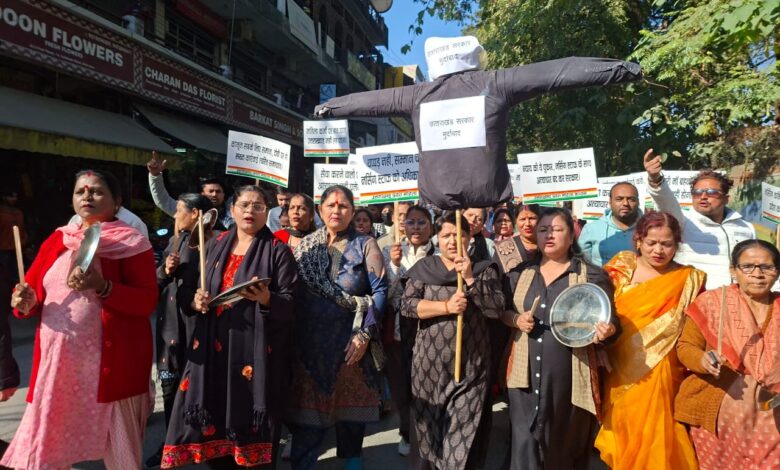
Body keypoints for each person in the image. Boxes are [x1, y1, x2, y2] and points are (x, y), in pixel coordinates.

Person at [314, 36, 642, 209]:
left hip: (437, 198)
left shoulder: (417, 95)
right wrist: (622, 69)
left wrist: (331, 106)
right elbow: (559, 72)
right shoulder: (497, 82)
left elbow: (370, 101)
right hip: (490, 191)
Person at [3, 169, 158, 469]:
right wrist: (24, 301)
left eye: (96, 191)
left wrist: (102, 286)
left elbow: (146, 301)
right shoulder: (58, 239)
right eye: (80, 191)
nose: (87, 196)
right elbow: (31, 292)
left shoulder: (131, 243)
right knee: (47, 448)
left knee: (122, 454)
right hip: (58, 365)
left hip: (113, 366)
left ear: (117, 202)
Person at [160, 185, 298, 468]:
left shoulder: (278, 252)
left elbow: (292, 304)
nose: (250, 211)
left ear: (267, 213)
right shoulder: (214, 244)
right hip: (212, 354)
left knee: (250, 434)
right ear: (232, 210)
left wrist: (266, 298)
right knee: (214, 431)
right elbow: (186, 290)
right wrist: (195, 300)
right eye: (244, 205)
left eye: (258, 206)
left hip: (252, 356)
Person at [501, 207, 620, 469]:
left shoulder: (591, 275)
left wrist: (606, 332)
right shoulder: (520, 273)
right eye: (543, 230)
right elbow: (504, 313)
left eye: (557, 229)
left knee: (563, 446)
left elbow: (611, 322)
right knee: (525, 445)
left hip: (569, 377)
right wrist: (516, 320)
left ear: (572, 234)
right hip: (523, 375)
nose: (549, 235)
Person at [594, 211, 706, 469]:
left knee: (656, 428)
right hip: (617, 362)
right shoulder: (621, 268)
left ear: (677, 245)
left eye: (667, 244)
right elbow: (599, 311)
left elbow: (698, 325)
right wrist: (598, 347)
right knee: (622, 426)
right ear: (638, 241)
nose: (658, 250)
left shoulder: (689, 279)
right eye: (651, 242)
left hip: (662, 366)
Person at [287, 185, 387, 470]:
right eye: (330, 205)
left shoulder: (365, 244)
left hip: (350, 343)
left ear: (352, 211)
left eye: (343, 205)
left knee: (350, 417)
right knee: (306, 419)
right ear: (320, 210)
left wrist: (364, 334)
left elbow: (380, 291)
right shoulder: (306, 246)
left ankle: (352, 460)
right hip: (309, 345)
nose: (336, 210)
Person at [400, 211, 505, 469]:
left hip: (470, 369)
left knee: (460, 437)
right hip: (428, 368)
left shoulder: (483, 269)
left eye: (459, 235)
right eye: (446, 235)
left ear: (469, 237)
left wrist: (469, 278)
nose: (452, 241)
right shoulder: (424, 268)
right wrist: (446, 306)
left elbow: (496, 309)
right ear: (437, 238)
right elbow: (408, 306)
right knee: (431, 433)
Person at [675, 239, 780, 470]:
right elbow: (686, 346)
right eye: (748, 267)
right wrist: (703, 360)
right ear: (733, 270)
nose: (757, 274)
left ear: (777, 272)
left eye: (767, 267)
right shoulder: (712, 302)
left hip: (772, 404)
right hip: (720, 399)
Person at [145, 193, 214, 468]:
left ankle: (200, 442)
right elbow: (157, 282)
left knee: (197, 389)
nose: (175, 215)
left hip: (195, 328)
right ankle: (171, 444)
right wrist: (165, 269)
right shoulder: (175, 241)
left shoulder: (214, 242)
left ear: (195, 213)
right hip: (169, 328)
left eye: (179, 210)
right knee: (169, 388)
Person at [643, 149, 755, 289]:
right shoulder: (682, 222)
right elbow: (666, 202)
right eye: (697, 192)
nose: (703, 197)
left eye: (711, 192)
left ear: (726, 199)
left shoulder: (745, 227)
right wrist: (656, 180)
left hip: (736, 297)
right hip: (696, 297)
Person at [382, 205, 435, 457]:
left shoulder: (439, 254)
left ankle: (429, 433)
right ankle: (406, 431)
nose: (415, 227)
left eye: (421, 222)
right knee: (400, 385)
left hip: (430, 329)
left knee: (427, 385)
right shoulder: (390, 251)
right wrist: (393, 266)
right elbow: (384, 295)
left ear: (431, 226)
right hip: (398, 331)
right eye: (410, 222)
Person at [147, 152, 233, 230]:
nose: (214, 194)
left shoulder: (233, 213)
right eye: (210, 191)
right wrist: (155, 176)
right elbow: (163, 201)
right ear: (202, 194)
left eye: (218, 191)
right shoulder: (188, 209)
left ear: (224, 194)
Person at [579, 182, 642, 266]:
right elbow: (583, 264)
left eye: (631, 199)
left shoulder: (649, 228)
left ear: (638, 202)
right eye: (619, 199)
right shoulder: (591, 229)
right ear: (610, 202)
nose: (625, 203)